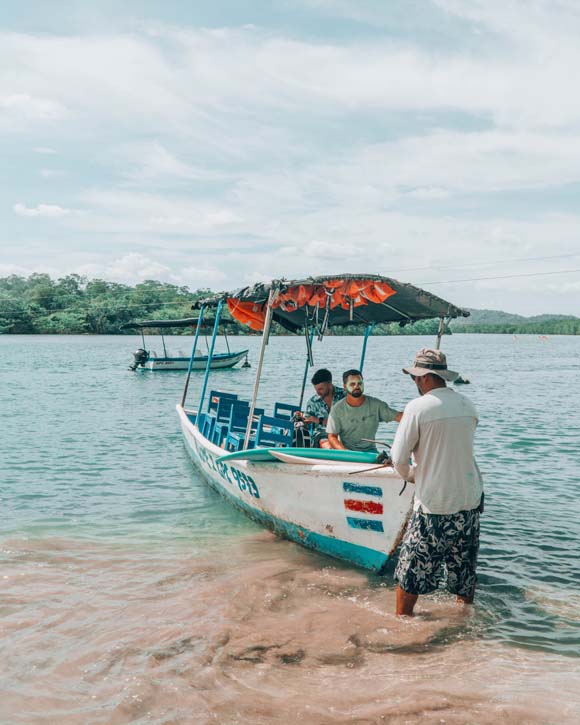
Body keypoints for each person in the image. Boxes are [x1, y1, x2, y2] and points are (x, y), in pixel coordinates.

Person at [390, 348, 484, 617]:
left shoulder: (418, 408)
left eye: (416, 378)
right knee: (464, 571)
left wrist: (411, 476)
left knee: (410, 572)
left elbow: (398, 458)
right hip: (469, 501)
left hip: (435, 504)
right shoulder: (468, 405)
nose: (415, 383)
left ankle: (403, 625)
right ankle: (462, 622)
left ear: (425, 378)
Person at [326, 369, 402, 453]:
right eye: (352, 384)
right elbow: (332, 436)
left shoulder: (376, 405)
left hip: (371, 453)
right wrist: (345, 452)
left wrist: (416, 414)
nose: (356, 386)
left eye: (359, 383)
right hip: (348, 454)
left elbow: (399, 417)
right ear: (344, 386)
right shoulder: (337, 409)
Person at [296, 368, 345, 448]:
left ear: (329, 384)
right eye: (316, 389)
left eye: (320, 389)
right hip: (322, 436)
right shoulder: (313, 401)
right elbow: (307, 423)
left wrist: (318, 420)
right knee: (328, 445)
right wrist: (302, 419)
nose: (318, 392)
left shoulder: (345, 396)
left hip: (343, 435)